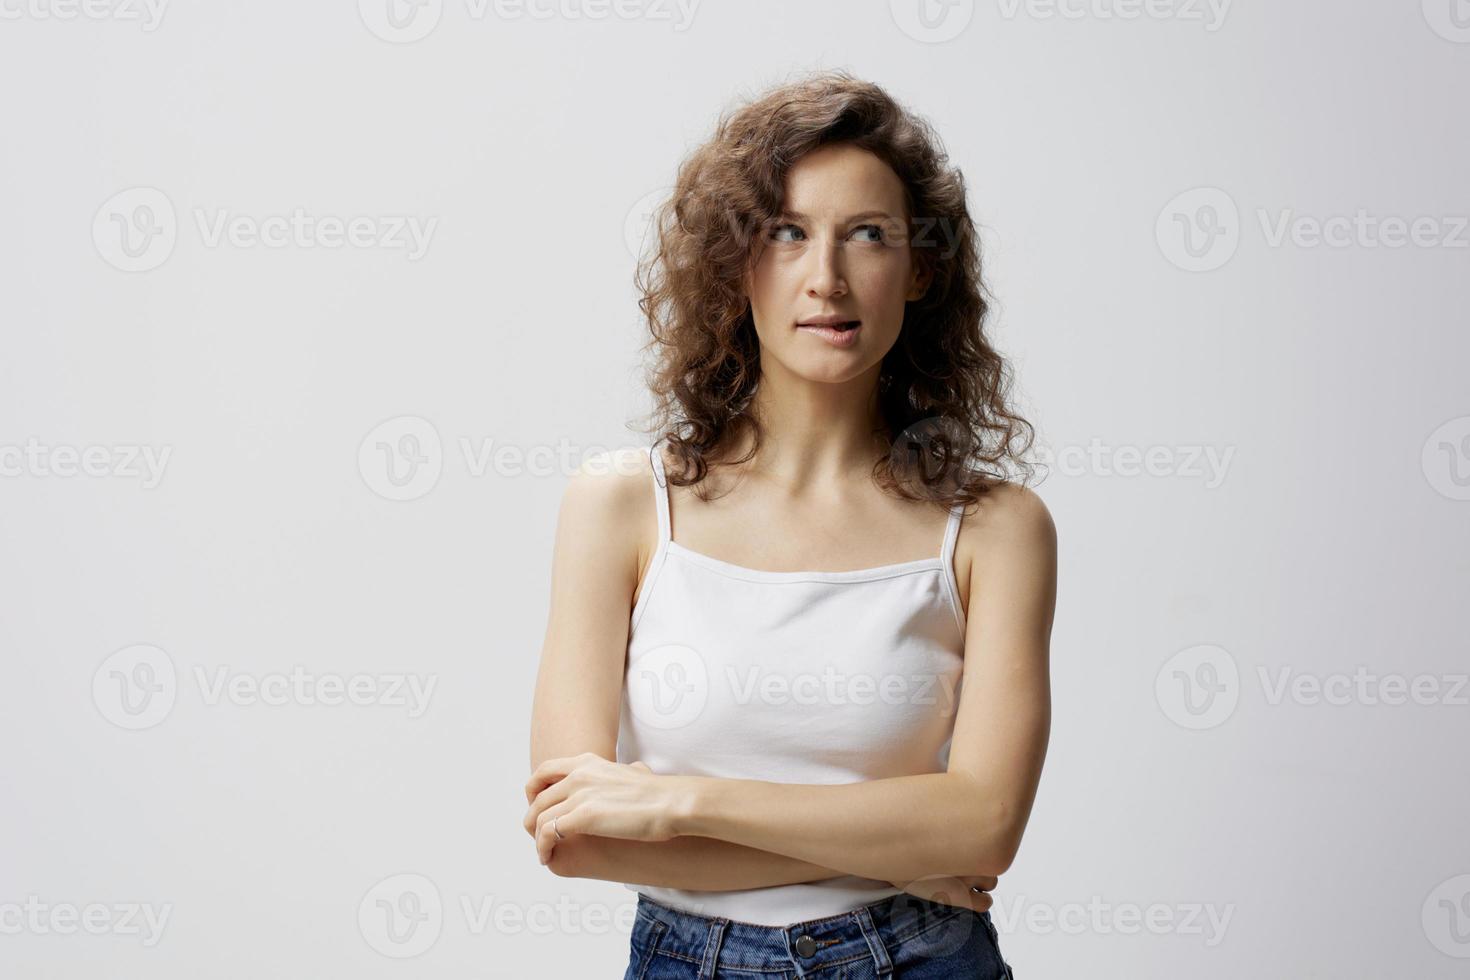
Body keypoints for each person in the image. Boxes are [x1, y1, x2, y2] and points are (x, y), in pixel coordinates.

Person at [524, 69, 1054, 978]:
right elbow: (571, 833)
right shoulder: (619, 504)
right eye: (787, 233)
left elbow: (987, 826)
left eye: (869, 236)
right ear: (737, 260)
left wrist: (682, 803)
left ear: (920, 269)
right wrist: (906, 847)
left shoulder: (994, 529)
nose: (828, 279)